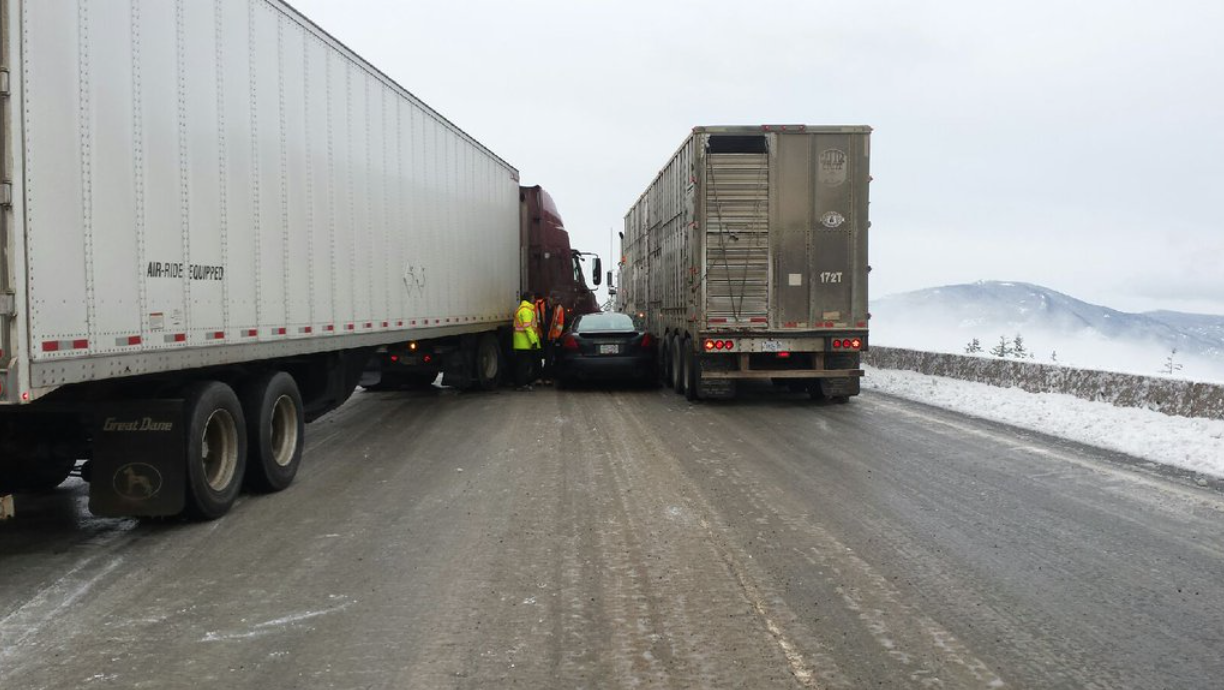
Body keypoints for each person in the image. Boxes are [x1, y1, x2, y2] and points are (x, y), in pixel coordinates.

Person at [512, 291, 541, 390]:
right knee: (523, 365)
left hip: (521, 342)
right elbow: (528, 328)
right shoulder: (526, 310)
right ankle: (522, 384)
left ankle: (521, 383)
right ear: (529, 298)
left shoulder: (523, 309)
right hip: (525, 342)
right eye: (533, 297)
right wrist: (533, 341)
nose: (534, 299)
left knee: (521, 364)